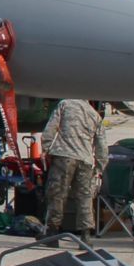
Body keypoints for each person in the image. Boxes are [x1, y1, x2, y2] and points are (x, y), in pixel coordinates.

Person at [42, 98, 106, 241]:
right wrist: (99, 166)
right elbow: (102, 145)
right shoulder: (94, 114)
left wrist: (46, 148)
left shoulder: (65, 104)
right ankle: (86, 234)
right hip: (86, 160)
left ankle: (52, 232)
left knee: (57, 194)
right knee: (84, 197)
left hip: (63, 156)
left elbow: (51, 128)